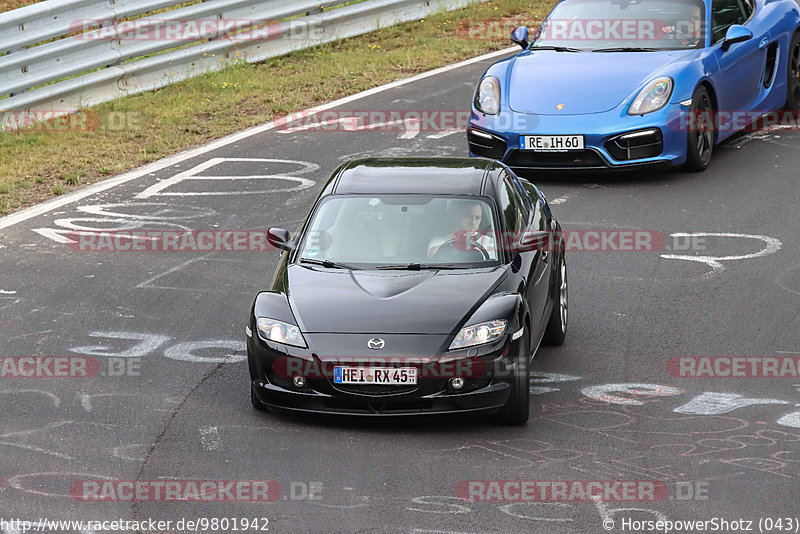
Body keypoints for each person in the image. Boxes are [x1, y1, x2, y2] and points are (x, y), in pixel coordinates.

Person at [427, 201, 496, 259]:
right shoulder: (440, 240)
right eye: (468, 216)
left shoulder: (489, 241)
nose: (473, 222)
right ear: (458, 216)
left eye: (477, 218)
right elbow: (432, 255)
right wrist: (458, 242)